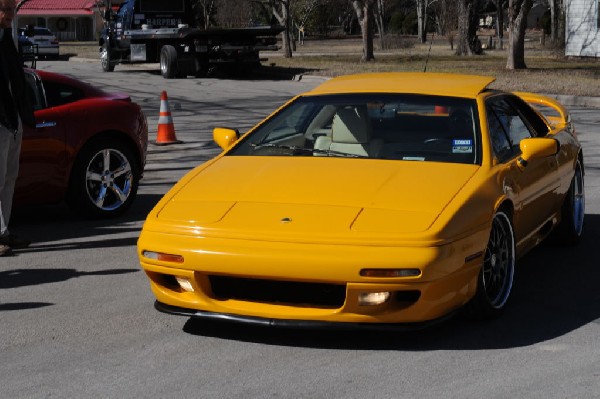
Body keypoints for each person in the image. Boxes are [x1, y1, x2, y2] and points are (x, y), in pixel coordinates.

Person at [0, 0, 35, 256]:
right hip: (0, 120)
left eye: (12, 9)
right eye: (5, 9)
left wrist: (23, 116)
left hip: (13, 119)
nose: (10, 14)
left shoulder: (6, 39)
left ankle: (5, 232)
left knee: (10, 178)